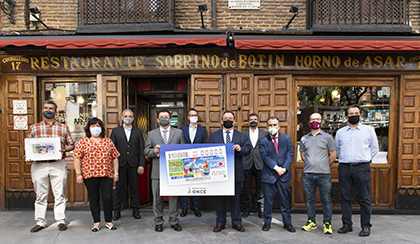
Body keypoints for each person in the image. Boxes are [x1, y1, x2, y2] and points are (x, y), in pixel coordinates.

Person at [26, 100, 75, 233]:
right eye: (46, 108)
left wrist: (64, 149)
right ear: (42, 110)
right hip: (39, 165)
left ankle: (60, 220)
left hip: (57, 164)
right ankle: (40, 221)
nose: (49, 110)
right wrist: (29, 154)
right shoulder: (34, 128)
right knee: (40, 195)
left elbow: (71, 144)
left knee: (59, 194)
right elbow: (29, 145)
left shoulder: (63, 127)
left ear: (55, 111)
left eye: (51, 108)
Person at [335, 104, 379, 237]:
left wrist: (365, 158)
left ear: (360, 115)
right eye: (351, 114)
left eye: (356, 113)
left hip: (362, 167)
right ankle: (347, 224)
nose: (354, 115)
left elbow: (374, 148)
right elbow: (337, 149)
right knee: (345, 197)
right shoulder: (340, 132)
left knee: (364, 198)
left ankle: (365, 226)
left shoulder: (368, 130)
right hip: (345, 167)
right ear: (346, 116)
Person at [73, 118, 120, 232]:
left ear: (102, 128)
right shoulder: (83, 142)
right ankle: (96, 222)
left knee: (107, 198)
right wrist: (78, 174)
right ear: (88, 128)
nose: (95, 128)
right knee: (94, 199)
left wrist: (116, 172)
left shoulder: (108, 141)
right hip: (89, 175)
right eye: (93, 126)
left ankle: (109, 221)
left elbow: (115, 158)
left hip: (106, 174)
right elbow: (77, 158)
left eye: (98, 126)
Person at [209, 110, 252, 233]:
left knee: (235, 199)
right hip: (218, 173)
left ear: (234, 121)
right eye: (225, 118)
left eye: (230, 118)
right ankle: (220, 223)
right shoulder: (214, 136)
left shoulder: (241, 136)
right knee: (220, 200)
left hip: (235, 172)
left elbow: (248, 149)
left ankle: (236, 223)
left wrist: (240, 149)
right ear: (221, 121)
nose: (228, 120)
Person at [144, 109, 185, 232]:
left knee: (173, 197)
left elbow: (184, 151)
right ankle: (158, 222)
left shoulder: (179, 133)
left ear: (170, 120)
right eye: (161, 117)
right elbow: (146, 151)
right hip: (157, 171)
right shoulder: (151, 134)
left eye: (166, 117)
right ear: (157, 120)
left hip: (174, 170)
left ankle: (174, 221)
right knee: (157, 198)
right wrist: (154, 152)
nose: (163, 119)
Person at [300, 113, 337, 234]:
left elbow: (333, 154)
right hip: (308, 174)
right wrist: (311, 163)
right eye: (312, 119)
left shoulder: (328, 138)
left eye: (317, 119)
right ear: (309, 122)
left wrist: (324, 165)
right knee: (309, 199)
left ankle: (327, 223)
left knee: (326, 199)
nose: (315, 121)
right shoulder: (304, 138)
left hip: (324, 174)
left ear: (321, 121)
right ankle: (311, 221)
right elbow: (303, 155)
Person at [259, 116, 295, 232]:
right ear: (267, 127)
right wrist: (276, 168)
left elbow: (290, 154)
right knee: (268, 201)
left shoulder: (286, 138)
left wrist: (284, 168)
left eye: (274, 125)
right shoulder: (263, 141)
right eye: (270, 125)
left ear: (279, 127)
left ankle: (287, 223)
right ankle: (267, 222)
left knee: (285, 200)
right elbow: (264, 156)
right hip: (269, 175)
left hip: (283, 174)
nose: (272, 127)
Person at [110, 109, 145, 220]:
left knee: (134, 188)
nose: (127, 118)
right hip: (120, 164)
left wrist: (141, 165)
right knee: (119, 189)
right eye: (125, 116)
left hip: (134, 164)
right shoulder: (116, 131)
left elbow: (141, 149)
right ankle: (117, 211)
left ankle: (136, 210)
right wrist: (112, 166)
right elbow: (111, 149)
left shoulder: (138, 132)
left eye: (130, 116)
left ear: (133, 118)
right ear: (121, 118)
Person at [180, 108, 207, 217]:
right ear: (188, 117)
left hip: (197, 161)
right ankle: (184, 208)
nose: (194, 117)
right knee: (185, 184)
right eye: (192, 115)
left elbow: (204, 145)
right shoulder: (182, 129)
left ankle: (196, 208)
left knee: (196, 184)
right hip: (185, 161)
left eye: (195, 115)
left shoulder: (203, 130)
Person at [241, 113, 268, 218]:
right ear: (248, 122)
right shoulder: (243, 134)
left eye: (255, 119)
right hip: (246, 163)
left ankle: (260, 209)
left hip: (260, 163)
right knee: (246, 188)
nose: (253, 121)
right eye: (251, 119)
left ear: (258, 121)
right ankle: (246, 208)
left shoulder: (264, 133)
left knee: (260, 188)